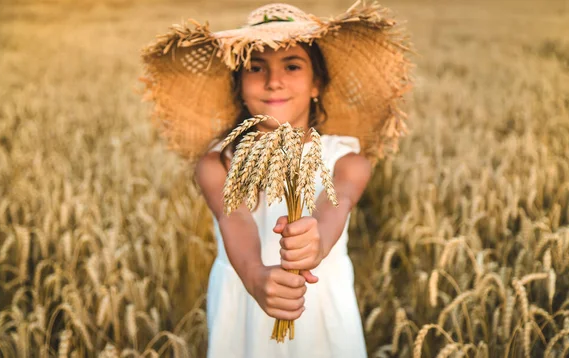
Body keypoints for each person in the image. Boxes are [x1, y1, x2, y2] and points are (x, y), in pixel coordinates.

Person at [141, 2, 413, 357]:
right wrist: (255, 276)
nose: (273, 81)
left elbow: (334, 204)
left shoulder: (347, 161)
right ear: (238, 84)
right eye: (256, 68)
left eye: (292, 65)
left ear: (317, 83)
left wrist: (315, 242)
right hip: (245, 301)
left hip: (319, 311)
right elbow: (233, 215)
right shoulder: (217, 162)